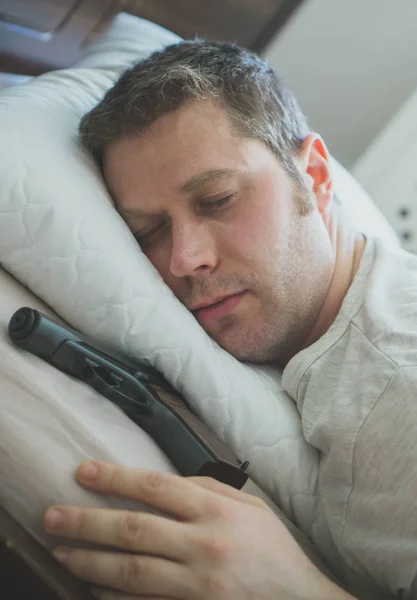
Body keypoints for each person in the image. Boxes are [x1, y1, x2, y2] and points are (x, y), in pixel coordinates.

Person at [44, 40, 417, 599]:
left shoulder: (395, 393)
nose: (183, 258)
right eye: (148, 233)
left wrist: (292, 588)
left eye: (217, 199)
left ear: (314, 175)